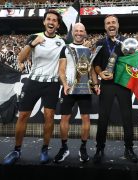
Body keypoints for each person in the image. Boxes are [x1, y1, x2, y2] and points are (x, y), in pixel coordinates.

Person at [3, 10, 65, 165]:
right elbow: (21, 58)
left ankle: (45, 149)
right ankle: (17, 150)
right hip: (33, 82)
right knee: (23, 116)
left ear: (57, 25)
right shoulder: (34, 37)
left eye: (54, 20)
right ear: (44, 22)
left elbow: (64, 64)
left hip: (52, 83)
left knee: (49, 117)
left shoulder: (61, 42)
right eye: (48, 19)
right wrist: (32, 44)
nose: (51, 22)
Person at [92, 14, 138, 163]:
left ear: (118, 25)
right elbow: (96, 64)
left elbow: (135, 63)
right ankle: (99, 148)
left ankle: (129, 148)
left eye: (113, 22)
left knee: (127, 117)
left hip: (124, 84)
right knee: (103, 117)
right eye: (108, 23)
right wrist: (100, 74)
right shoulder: (100, 42)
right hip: (107, 84)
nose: (111, 25)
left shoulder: (127, 42)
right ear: (105, 27)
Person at [53, 23, 100, 164]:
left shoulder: (88, 50)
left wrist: (96, 84)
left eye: (81, 31)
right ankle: (64, 147)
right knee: (64, 118)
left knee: (86, 118)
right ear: (73, 32)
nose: (79, 33)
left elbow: (91, 70)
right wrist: (65, 84)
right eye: (76, 31)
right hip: (68, 88)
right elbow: (61, 69)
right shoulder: (65, 49)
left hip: (84, 89)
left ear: (85, 33)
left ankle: (83, 148)